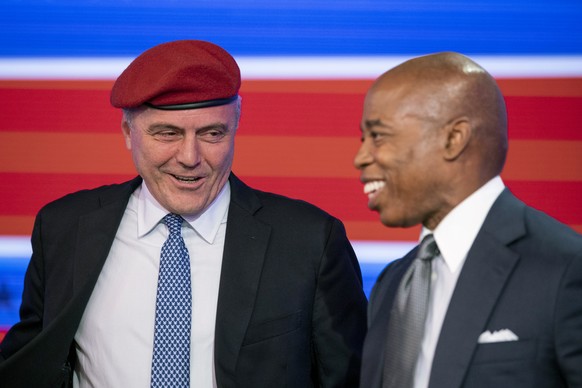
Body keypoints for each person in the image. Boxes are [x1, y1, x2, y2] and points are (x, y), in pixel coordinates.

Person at [0, 40, 367, 388]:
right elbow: (28, 363)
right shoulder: (64, 228)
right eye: (167, 134)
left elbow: (350, 378)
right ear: (129, 132)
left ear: (236, 125)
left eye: (212, 134)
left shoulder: (310, 241)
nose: (190, 158)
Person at [355, 51, 582, 387]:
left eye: (378, 136)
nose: (361, 158)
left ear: (453, 139)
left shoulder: (565, 267)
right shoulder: (394, 282)